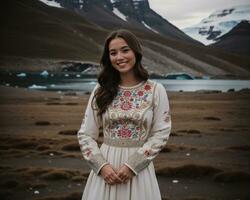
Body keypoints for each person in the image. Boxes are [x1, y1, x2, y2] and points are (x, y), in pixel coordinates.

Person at [77, 29, 171, 200]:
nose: (119, 57)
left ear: (136, 52)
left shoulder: (156, 90)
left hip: (139, 171)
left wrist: (133, 166)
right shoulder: (101, 91)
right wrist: (101, 166)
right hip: (105, 170)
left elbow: (161, 133)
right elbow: (85, 134)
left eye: (125, 50)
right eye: (113, 53)